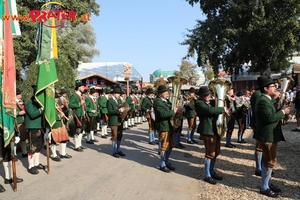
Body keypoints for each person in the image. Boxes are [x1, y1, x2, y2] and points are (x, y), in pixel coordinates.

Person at [255, 77, 290, 198]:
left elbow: (272, 110)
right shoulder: (263, 101)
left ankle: (267, 184)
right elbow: (269, 118)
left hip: (269, 135)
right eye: (273, 86)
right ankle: (264, 187)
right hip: (266, 136)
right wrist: (283, 112)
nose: (275, 87)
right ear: (265, 88)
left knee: (268, 161)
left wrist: (279, 100)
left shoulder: (267, 99)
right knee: (269, 162)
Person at [195, 86, 230, 184]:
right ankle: (207, 175)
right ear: (201, 96)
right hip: (207, 130)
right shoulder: (199, 103)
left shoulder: (208, 102)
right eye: (205, 95)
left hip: (214, 130)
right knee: (209, 154)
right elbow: (210, 111)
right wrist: (223, 109)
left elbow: (216, 108)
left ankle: (211, 171)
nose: (208, 96)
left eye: (208, 94)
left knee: (216, 152)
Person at [154, 85, 180, 173]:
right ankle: (162, 164)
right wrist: (173, 111)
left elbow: (171, 110)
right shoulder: (157, 102)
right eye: (165, 92)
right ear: (160, 94)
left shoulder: (166, 101)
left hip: (170, 126)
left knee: (171, 145)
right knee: (164, 146)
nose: (167, 93)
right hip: (163, 126)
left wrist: (178, 110)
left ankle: (167, 161)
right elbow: (162, 114)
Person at [25, 85, 46, 174]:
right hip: (33, 128)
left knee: (38, 146)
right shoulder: (29, 103)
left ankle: (36, 163)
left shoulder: (40, 104)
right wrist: (42, 109)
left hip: (40, 127)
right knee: (32, 147)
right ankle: (31, 166)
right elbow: (33, 114)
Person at [50, 92, 72, 162]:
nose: (57, 99)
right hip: (54, 124)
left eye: (57, 97)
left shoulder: (57, 104)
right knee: (54, 140)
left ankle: (63, 153)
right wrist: (60, 116)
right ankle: (54, 155)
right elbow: (50, 116)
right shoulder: (50, 106)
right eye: (55, 98)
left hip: (60, 123)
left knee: (64, 138)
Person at [107, 87, 126, 158]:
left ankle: (118, 149)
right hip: (113, 121)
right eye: (118, 93)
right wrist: (118, 110)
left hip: (119, 120)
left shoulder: (119, 100)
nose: (119, 95)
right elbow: (109, 112)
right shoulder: (110, 101)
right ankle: (114, 151)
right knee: (114, 136)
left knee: (120, 135)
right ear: (114, 93)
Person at [69, 80, 87, 152]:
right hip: (78, 115)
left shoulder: (80, 95)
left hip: (82, 114)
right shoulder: (74, 95)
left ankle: (79, 144)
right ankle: (76, 146)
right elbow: (70, 105)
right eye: (82, 87)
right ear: (78, 87)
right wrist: (79, 104)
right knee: (78, 130)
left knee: (81, 130)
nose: (83, 88)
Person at [16, 88, 28, 157]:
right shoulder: (12, 102)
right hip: (17, 122)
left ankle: (24, 152)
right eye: (19, 93)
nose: (20, 94)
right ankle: (14, 154)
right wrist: (18, 113)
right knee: (15, 139)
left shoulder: (21, 101)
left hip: (23, 121)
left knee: (23, 138)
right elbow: (9, 111)